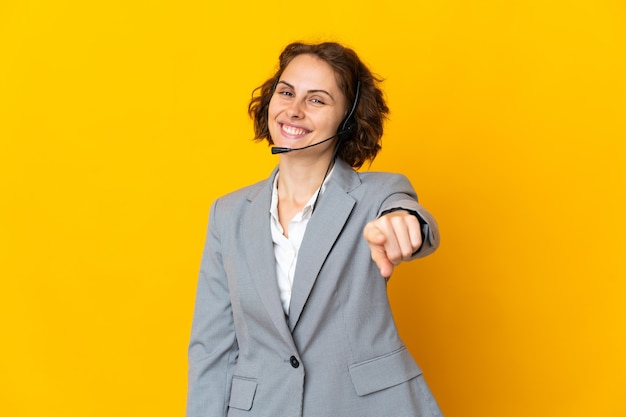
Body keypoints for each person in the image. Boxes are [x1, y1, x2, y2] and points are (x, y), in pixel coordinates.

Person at [187, 41, 443, 417]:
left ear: (349, 119)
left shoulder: (379, 195)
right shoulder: (228, 214)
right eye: (287, 92)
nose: (293, 110)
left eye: (317, 100)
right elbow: (213, 347)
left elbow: (410, 218)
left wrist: (404, 225)